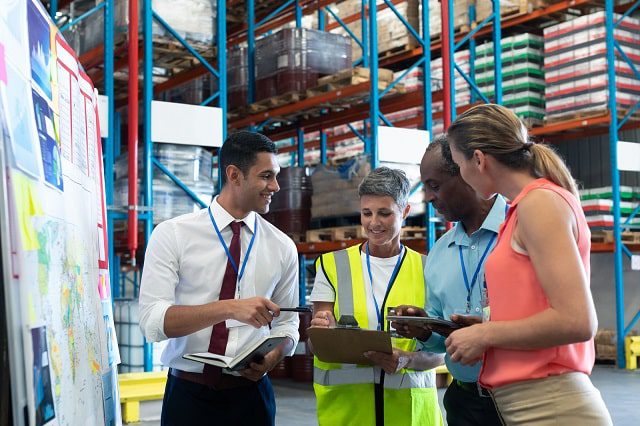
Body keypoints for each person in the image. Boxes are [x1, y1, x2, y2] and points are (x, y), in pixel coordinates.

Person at [444, 104, 612, 424]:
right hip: (529, 404)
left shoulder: (540, 204)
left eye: (458, 164)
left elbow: (577, 320)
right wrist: (484, 327)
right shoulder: (522, 209)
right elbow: (538, 305)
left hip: (551, 406)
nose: (462, 177)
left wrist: (487, 335)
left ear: (478, 159)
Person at [138, 131, 300, 426]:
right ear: (234, 175)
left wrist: (275, 354)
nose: (275, 186)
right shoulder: (173, 234)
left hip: (253, 399)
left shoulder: (282, 246)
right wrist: (229, 308)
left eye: (276, 176)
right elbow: (152, 323)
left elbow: (289, 323)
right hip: (189, 398)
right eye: (266, 176)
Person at [309, 166, 444, 426]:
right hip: (348, 414)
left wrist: (408, 359)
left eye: (384, 213)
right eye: (366, 213)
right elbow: (317, 346)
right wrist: (322, 332)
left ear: (404, 212)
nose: (373, 223)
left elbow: (443, 350)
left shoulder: (429, 269)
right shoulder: (332, 265)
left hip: (411, 415)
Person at [393, 134, 506, 426]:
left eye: (435, 185)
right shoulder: (440, 252)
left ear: (467, 174)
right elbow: (442, 345)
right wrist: (424, 328)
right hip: (463, 402)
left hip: (517, 398)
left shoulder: (519, 229)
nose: (429, 197)